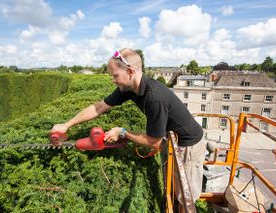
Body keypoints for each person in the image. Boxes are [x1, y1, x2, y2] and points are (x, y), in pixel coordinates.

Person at [50, 48, 206, 204]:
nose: (113, 80)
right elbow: (99, 107)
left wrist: (122, 132)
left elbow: (154, 142)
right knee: (172, 188)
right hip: (172, 139)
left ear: (130, 71)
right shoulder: (129, 89)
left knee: (185, 199)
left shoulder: (155, 97)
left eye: (115, 75)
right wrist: (66, 125)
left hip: (188, 146)